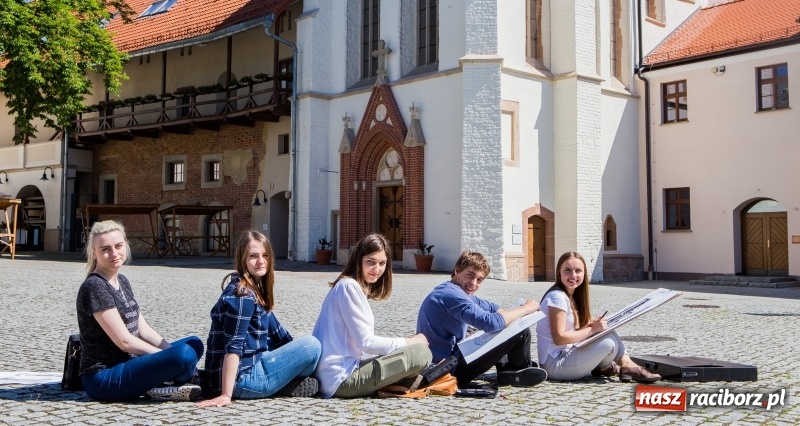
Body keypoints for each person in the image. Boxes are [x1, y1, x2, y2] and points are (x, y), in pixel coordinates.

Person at [76, 220, 204, 402]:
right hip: (103, 377)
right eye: (105, 249)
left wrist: (168, 354)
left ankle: (169, 380)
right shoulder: (95, 286)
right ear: (94, 253)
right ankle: (172, 380)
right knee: (184, 355)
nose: (114, 253)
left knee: (194, 344)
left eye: (118, 246)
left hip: (130, 363)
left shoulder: (122, 281)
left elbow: (143, 330)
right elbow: (124, 342)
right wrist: (167, 358)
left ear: (126, 245)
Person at [198, 231, 321, 407]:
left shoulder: (254, 291)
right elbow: (233, 346)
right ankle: (282, 385)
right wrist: (226, 394)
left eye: (265, 255)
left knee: (295, 351)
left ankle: (282, 382)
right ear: (243, 259)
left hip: (252, 363)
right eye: (253, 256)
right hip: (242, 379)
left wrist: (293, 358)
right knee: (312, 346)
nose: (261, 261)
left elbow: (281, 336)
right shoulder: (242, 296)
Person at [313, 233, 432, 398]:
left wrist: (403, 346)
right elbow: (366, 343)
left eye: (382, 263)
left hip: (341, 372)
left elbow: (362, 347)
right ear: (358, 260)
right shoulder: (349, 287)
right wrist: (409, 342)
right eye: (371, 262)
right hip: (342, 378)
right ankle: (398, 381)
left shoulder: (350, 288)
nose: (377, 270)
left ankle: (397, 381)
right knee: (422, 354)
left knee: (412, 351)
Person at [417, 250, 548, 388]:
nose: (473, 283)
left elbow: (491, 306)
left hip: (452, 360)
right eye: (470, 275)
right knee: (520, 332)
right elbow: (490, 322)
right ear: (457, 270)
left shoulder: (454, 290)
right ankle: (518, 371)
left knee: (507, 325)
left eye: (479, 280)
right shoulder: (451, 295)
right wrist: (526, 309)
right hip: (446, 370)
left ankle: (510, 370)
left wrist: (508, 314)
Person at [536, 251, 661, 382]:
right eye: (567, 270)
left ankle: (626, 365)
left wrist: (588, 326)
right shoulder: (557, 297)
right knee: (608, 343)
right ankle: (623, 367)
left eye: (578, 271)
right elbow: (559, 338)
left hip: (566, 355)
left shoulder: (569, 296)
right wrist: (592, 330)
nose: (573, 275)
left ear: (584, 274)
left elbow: (569, 332)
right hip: (554, 365)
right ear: (559, 272)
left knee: (608, 329)